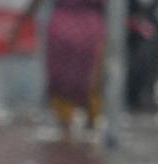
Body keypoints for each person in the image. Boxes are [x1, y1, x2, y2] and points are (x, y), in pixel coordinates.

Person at [16, 0, 107, 139]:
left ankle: (66, 129)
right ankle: (90, 126)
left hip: (62, 27)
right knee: (90, 79)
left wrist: (20, 23)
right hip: (90, 28)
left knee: (61, 79)